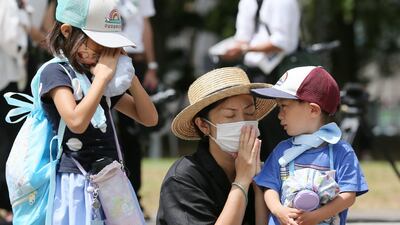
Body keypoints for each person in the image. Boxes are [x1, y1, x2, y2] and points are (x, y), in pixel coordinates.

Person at [40, 0, 158, 224]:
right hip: (75, 182)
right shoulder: (56, 73)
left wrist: (129, 76)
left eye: (112, 47)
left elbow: (149, 118)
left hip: (111, 180)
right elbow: (76, 121)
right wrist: (102, 79)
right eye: (100, 45)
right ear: (67, 32)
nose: (107, 54)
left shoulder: (96, 79)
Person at [156, 67, 276, 225]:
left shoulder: (264, 171)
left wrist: (259, 185)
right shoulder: (183, 179)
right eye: (230, 115)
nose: (243, 123)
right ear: (203, 125)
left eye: (250, 113)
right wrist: (241, 181)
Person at [251, 66, 368, 225]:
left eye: (284, 106)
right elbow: (269, 187)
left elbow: (348, 195)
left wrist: (317, 216)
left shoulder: (341, 151)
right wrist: (279, 210)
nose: (279, 115)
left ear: (313, 110)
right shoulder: (282, 150)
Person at [221, 0, 301, 160]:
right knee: (256, 129)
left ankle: (284, 175)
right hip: (252, 72)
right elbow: (242, 37)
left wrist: (244, 48)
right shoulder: (248, 2)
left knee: (278, 129)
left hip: (278, 73)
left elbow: (282, 42)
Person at [116, 0, 158, 216]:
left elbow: (145, 25)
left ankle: (135, 194)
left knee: (132, 133)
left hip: (136, 59)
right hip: (107, 56)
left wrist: (152, 65)